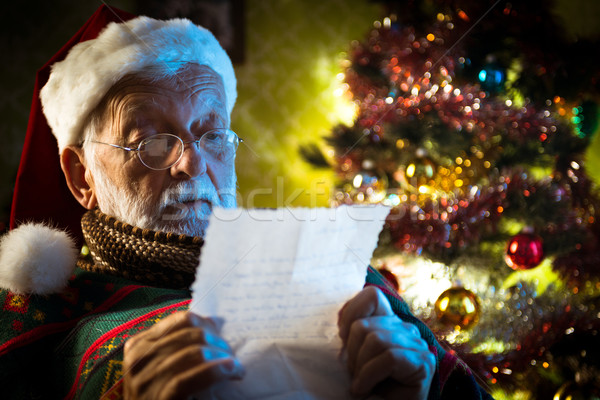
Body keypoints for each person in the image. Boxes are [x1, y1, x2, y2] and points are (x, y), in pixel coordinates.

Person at [0, 5, 492, 399]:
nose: (192, 165)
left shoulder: (342, 281)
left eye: (211, 134)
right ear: (81, 174)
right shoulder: (35, 316)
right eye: (151, 142)